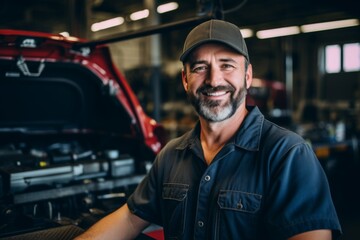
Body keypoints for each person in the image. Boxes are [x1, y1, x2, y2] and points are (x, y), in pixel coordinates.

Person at [75, 19, 342, 240]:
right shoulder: (171, 156)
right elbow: (129, 219)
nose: (214, 80)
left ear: (247, 76)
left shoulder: (288, 155)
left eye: (227, 65)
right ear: (185, 79)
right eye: (201, 68)